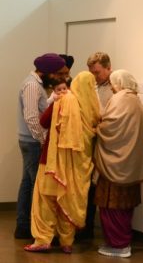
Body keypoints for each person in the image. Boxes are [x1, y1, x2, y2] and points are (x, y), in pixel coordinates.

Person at [24, 71, 100, 253]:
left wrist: (54, 102)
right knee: (67, 201)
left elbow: (43, 122)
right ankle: (66, 242)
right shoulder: (94, 110)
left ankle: (43, 239)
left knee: (45, 201)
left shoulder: (64, 101)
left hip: (51, 164)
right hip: (75, 167)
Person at [93, 69, 143, 258]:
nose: (111, 86)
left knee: (111, 206)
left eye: (112, 82)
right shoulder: (134, 99)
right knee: (124, 207)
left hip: (115, 166)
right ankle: (122, 242)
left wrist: (96, 127)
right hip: (130, 165)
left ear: (119, 82)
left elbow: (110, 126)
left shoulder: (120, 98)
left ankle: (118, 245)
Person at [15, 53, 66, 239]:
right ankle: (37, 230)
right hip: (33, 142)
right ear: (46, 72)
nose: (59, 78)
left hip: (30, 141)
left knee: (28, 184)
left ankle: (24, 226)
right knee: (38, 186)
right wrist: (43, 140)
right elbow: (31, 118)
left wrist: (54, 98)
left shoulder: (36, 85)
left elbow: (40, 108)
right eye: (56, 74)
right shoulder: (31, 86)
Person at [75, 51, 113, 240]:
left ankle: (95, 228)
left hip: (105, 147)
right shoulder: (90, 85)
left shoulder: (115, 88)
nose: (94, 77)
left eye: (97, 72)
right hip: (87, 144)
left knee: (98, 187)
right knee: (85, 186)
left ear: (108, 68)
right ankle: (83, 227)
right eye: (91, 72)